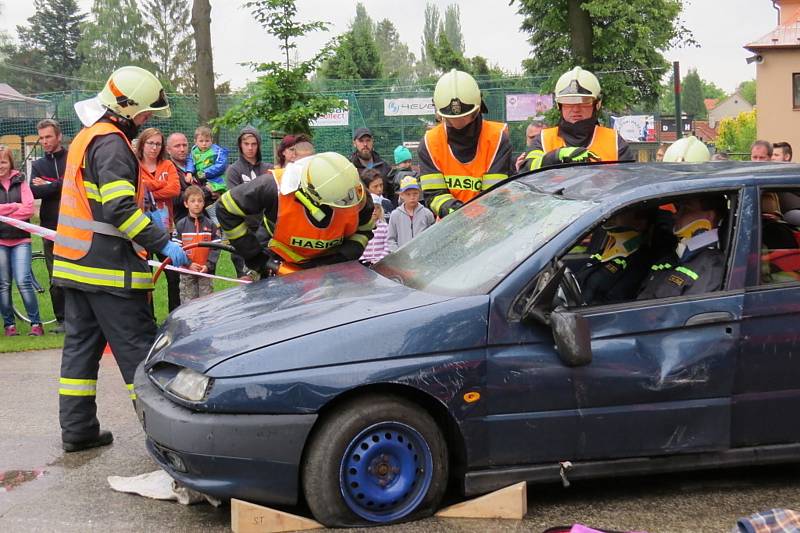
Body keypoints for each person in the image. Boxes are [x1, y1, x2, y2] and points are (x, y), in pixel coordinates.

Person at [54, 66, 189, 452]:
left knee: (79, 354)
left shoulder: (86, 137)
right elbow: (118, 208)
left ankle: (78, 431)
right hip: (108, 271)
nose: (146, 121)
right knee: (139, 356)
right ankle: (167, 442)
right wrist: (161, 241)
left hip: (75, 266)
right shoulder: (112, 144)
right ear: (126, 109)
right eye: (145, 114)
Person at [216, 152, 374, 275]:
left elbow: (364, 230)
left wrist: (345, 256)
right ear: (313, 197)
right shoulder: (272, 187)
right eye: (337, 204)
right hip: (279, 263)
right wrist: (255, 256)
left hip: (333, 267)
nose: (345, 207)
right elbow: (225, 208)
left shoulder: (354, 191)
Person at [419, 69, 513, 218]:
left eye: (463, 118)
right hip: (450, 226)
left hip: (492, 224)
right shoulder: (430, 144)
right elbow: (434, 194)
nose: (458, 124)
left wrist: (466, 216)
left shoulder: (497, 139)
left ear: (477, 111)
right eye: (452, 120)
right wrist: (453, 210)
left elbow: (494, 195)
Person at [520, 67, 634, 172]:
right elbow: (526, 170)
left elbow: (628, 183)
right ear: (559, 105)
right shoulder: (544, 139)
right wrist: (556, 156)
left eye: (584, 102)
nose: (575, 109)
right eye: (568, 103)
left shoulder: (614, 141)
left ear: (597, 104)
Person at [637, 194, 727, 299]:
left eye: (686, 209)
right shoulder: (669, 259)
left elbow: (688, 312)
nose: (675, 215)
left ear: (709, 216)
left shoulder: (712, 263)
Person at [136, 127, 182, 312]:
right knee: (146, 275)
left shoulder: (168, 165)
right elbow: (138, 190)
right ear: (142, 144)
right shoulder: (135, 164)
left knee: (173, 274)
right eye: (150, 143)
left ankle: (175, 313)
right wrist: (157, 186)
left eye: (157, 144)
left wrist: (151, 187)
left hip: (165, 228)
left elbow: (174, 190)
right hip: (142, 227)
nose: (154, 148)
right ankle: (149, 317)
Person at [0, 146, 43, 336]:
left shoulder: (21, 181)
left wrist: (6, 211)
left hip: (21, 240)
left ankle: (36, 324)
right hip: (0, 241)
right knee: (3, 284)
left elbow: (29, 209)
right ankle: (9, 326)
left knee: (24, 281)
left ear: (10, 163)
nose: (0, 166)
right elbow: (21, 208)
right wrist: (14, 206)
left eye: (3, 162)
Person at [30, 118, 67, 332]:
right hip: (49, 226)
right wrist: (58, 185)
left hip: (75, 226)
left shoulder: (72, 158)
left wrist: (50, 184)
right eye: (41, 138)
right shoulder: (38, 165)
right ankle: (61, 320)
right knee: (55, 275)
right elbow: (34, 192)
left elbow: (75, 183)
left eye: (48, 137)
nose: (45, 141)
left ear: (58, 136)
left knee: (76, 274)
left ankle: (80, 319)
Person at [574, 208, 654, 305]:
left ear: (641, 223)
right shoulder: (607, 250)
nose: (612, 216)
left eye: (622, 212)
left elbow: (615, 302)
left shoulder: (640, 261)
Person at [225, 126, 274, 279]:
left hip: (267, 231)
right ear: (240, 145)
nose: (250, 148)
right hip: (245, 232)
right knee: (247, 279)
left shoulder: (268, 169)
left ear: (259, 145)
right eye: (246, 144)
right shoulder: (234, 170)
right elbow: (237, 201)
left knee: (271, 277)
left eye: (254, 144)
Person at [174, 185, 220, 303]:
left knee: (206, 303)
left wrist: (208, 265)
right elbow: (176, 248)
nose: (196, 204)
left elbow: (216, 248)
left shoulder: (211, 225)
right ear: (186, 204)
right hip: (187, 271)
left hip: (205, 271)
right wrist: (188, 264)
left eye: (200, 201)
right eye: (192, 201)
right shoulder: (180, 225)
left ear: (204, 203)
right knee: (188, 303)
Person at [387, 176, 435, 252]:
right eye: (408, 194)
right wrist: (397, 253)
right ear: (402, 195)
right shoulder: (395, 215)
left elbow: (433, 236)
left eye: (415, 194)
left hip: (423, 256)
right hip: (402, 258)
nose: (412, 197)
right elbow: (391, 239)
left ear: (419, 193)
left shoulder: (427, 213)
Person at [166, 132, 203, 222]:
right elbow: (175, 198)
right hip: (182, 221)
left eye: (184, 145)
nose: (182, 149)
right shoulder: (166, 169)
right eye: (177, 146)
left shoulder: (197, 164)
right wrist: (207, 191)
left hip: (205, 220)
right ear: (168, 149)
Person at [350, 127, 392, 199]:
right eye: (361, 141)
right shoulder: (349, 168)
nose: (365, 144)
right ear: (354, 143)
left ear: (372, 141)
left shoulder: (384, 166)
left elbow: (392, 193)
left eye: (368, 140)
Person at [191, 125, 229, 198]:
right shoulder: (194, 151)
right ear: (195, 142)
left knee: (218, 196)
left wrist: (205, 173)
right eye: (201, 141)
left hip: (216, 180)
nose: (204, 144)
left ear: (212, 140)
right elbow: (190, 161)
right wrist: (189, 172)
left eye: (207, 141)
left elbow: (221, 165)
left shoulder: (217, 151)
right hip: (201, 180)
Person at [359, 193, 389, 265]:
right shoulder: (360, 228)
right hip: (363, 264)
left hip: (380, 264)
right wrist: (363, 261)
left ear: (381, 210)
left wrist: (378, 260)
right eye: (372, 208)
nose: (374, 210)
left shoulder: (385, 227)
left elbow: (387, 247)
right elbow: (358, 247)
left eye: (377, 207)